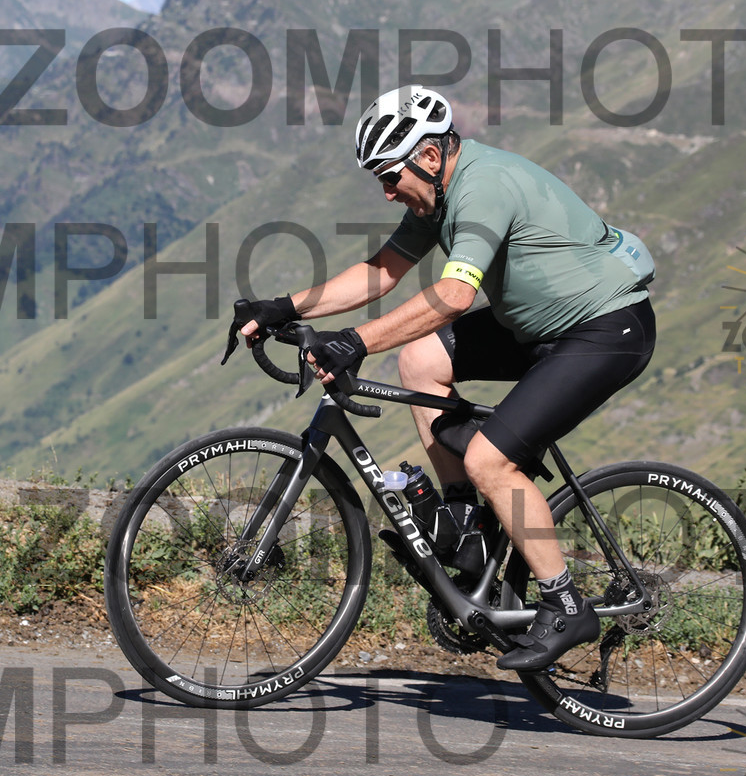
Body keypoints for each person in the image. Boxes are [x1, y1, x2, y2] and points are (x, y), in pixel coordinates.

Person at [236, 85, 656, 670]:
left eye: (390, 176)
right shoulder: (436, 196)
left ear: (430, 156)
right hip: (536, 326)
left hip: (604, 330)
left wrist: (357, 341)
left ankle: (565, 604)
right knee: (420, 363)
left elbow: (456, 295)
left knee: (491, 461)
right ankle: (466, 523)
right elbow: (381, 272)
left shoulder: (482, 188)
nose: (387, 193)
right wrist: (284, 306)